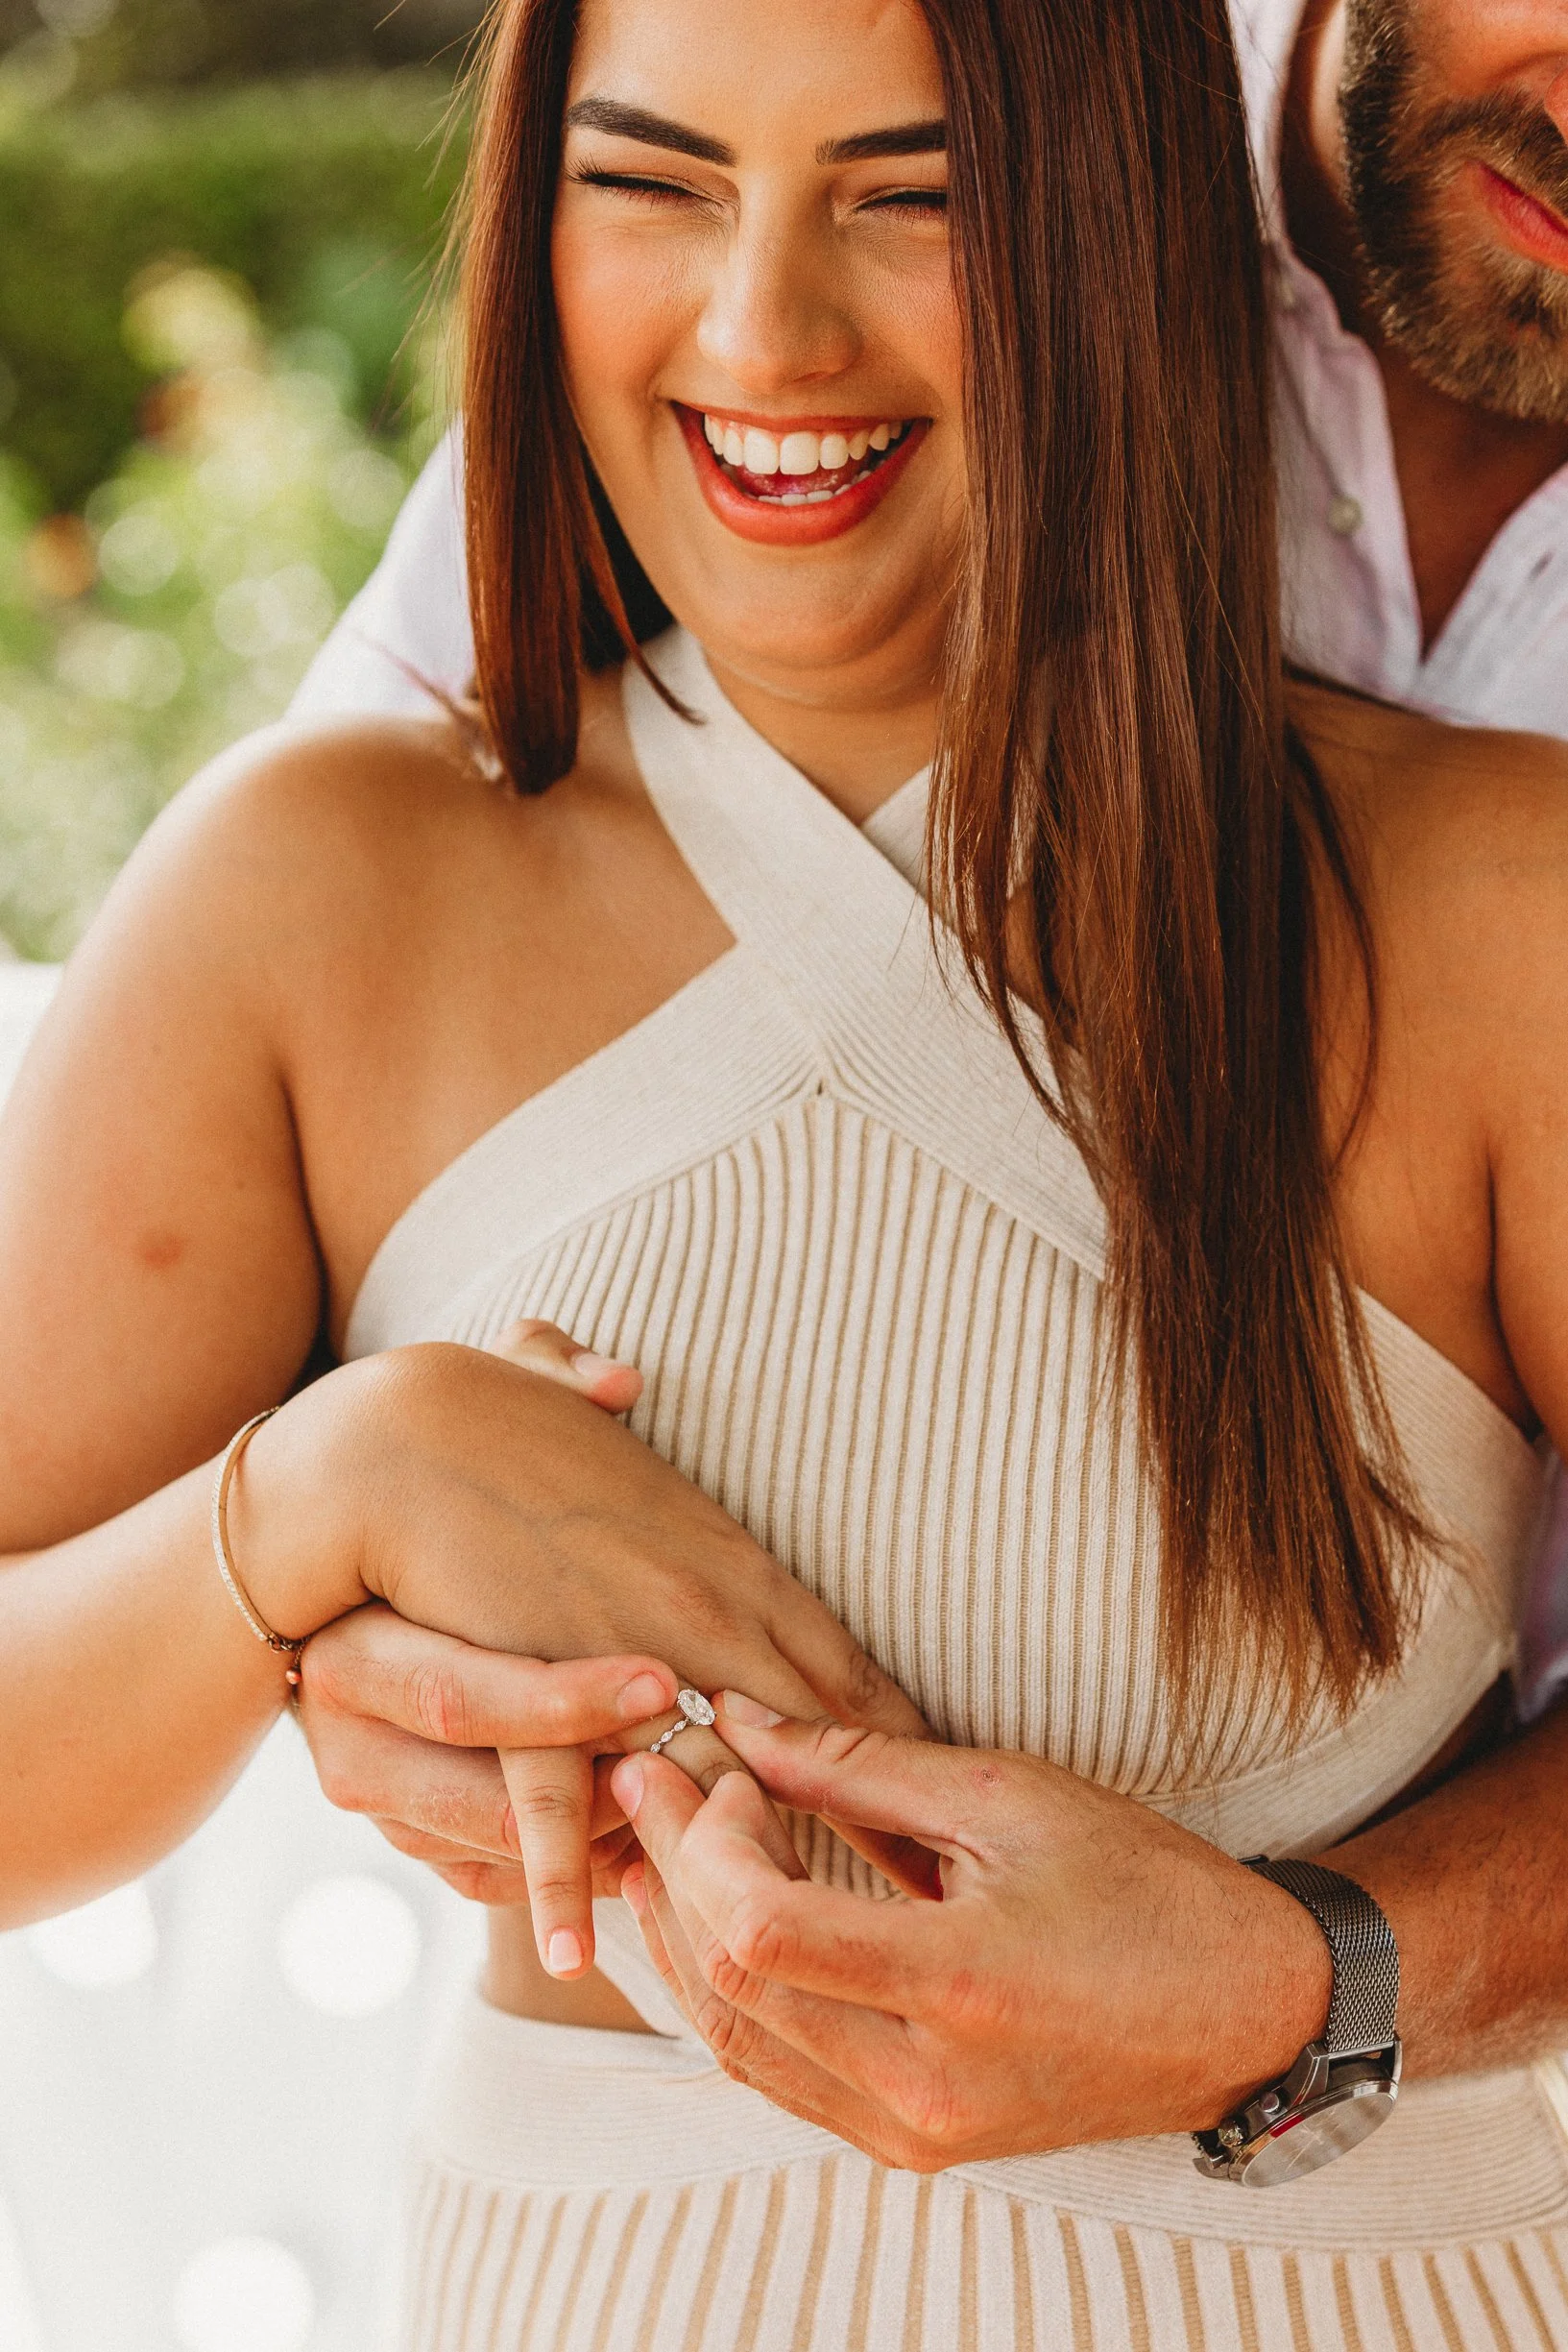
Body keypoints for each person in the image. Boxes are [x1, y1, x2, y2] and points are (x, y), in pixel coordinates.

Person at [4, 6, 1568, 2352]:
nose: (764, 329)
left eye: (914, 193)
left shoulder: (1488, 911)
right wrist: (323, 1487)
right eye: (644, 182)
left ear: (1121, 233)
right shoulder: (320, 886)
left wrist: (1295, 1977)